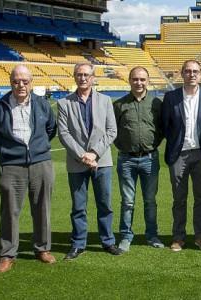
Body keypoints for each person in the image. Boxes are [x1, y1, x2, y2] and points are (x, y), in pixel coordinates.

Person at [0, 65, 57, 272]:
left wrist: (38, 149)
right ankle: (8, 254)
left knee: (42, 208)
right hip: (11, 166)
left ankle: (42, 248)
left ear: (31, 82)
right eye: (17, 81)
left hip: (40, 163)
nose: (21, 85)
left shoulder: (42, 105)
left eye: (25, 81)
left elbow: (50, 129)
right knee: (9, 211)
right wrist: (5, 152)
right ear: (10, 82)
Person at [57, 62, 122, 260]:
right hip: (77, 163)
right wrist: (83, 155)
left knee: (105, 204)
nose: (82, 78)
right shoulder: (64, 103)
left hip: (102, 161)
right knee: (78, 206)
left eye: (86, 75)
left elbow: (112, 131)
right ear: (74, 76)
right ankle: (78, 243)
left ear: (93, 77)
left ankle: (108, 241)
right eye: (79, 74)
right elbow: (64, 133)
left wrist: (94, 153)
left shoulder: (105, 101)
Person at [161, 60, 201, 252]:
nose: (191, 74)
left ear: (200, 75)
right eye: (188, 71)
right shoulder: (171, 97)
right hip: (179, 155)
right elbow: (166, 125)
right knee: (179, 198)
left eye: (195, 71)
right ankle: (178, 237)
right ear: (182, 74)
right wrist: (176, 142)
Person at [113, 66, 164, 252]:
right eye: (135, 79)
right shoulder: (119, 104)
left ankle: (152, 235)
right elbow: (113, 131)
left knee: (150, 200)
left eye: (142, 79)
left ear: (147, 81)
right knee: (127, 201)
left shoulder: (156, 103)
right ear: (129, 80)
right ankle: (126, 236)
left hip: (150, 158)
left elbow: (161, 129)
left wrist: (153, 144)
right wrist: (124, 146)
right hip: (126, 159)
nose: (139, 83)